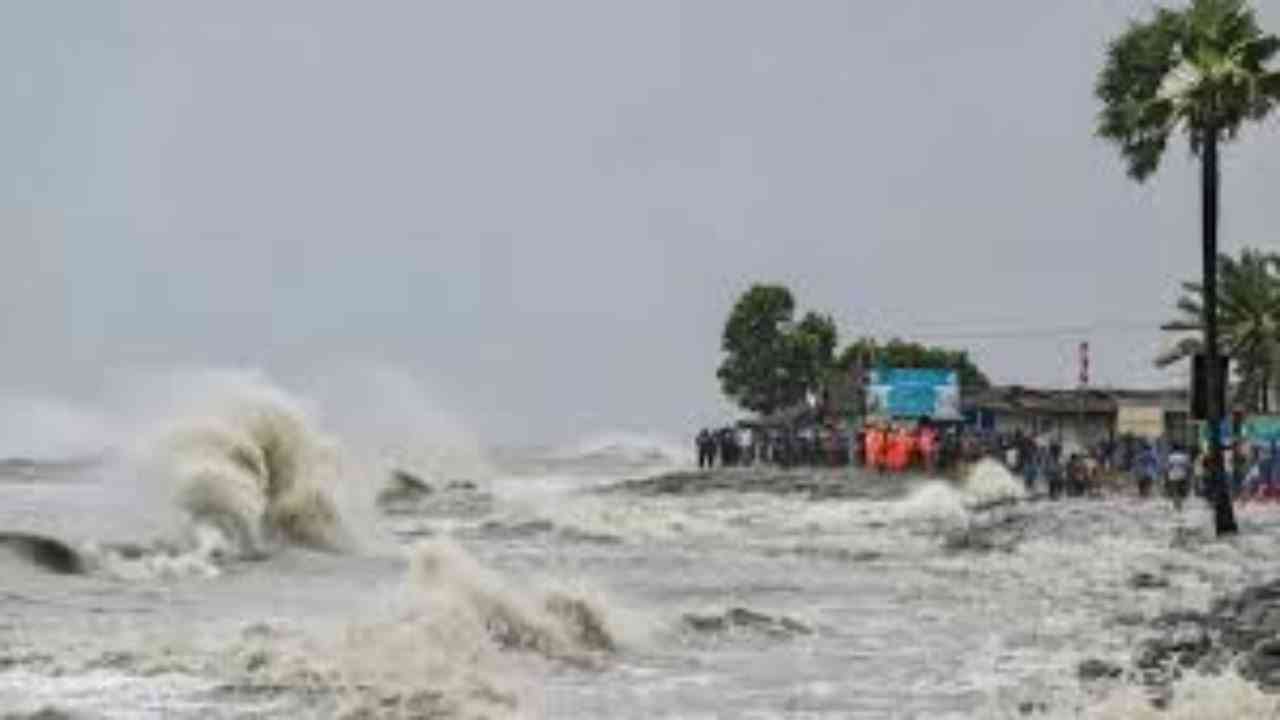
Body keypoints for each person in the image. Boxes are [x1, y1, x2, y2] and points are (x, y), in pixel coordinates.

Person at [1166, 444, 1192, 512]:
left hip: (1173, 476)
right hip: (1182, 475)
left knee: (1175, 490)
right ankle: (1180, 504)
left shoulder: (1170, 457)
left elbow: (1168, 467)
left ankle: (1176, 504)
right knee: (1181, 490)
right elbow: (1188, 466)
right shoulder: (1184, 457)